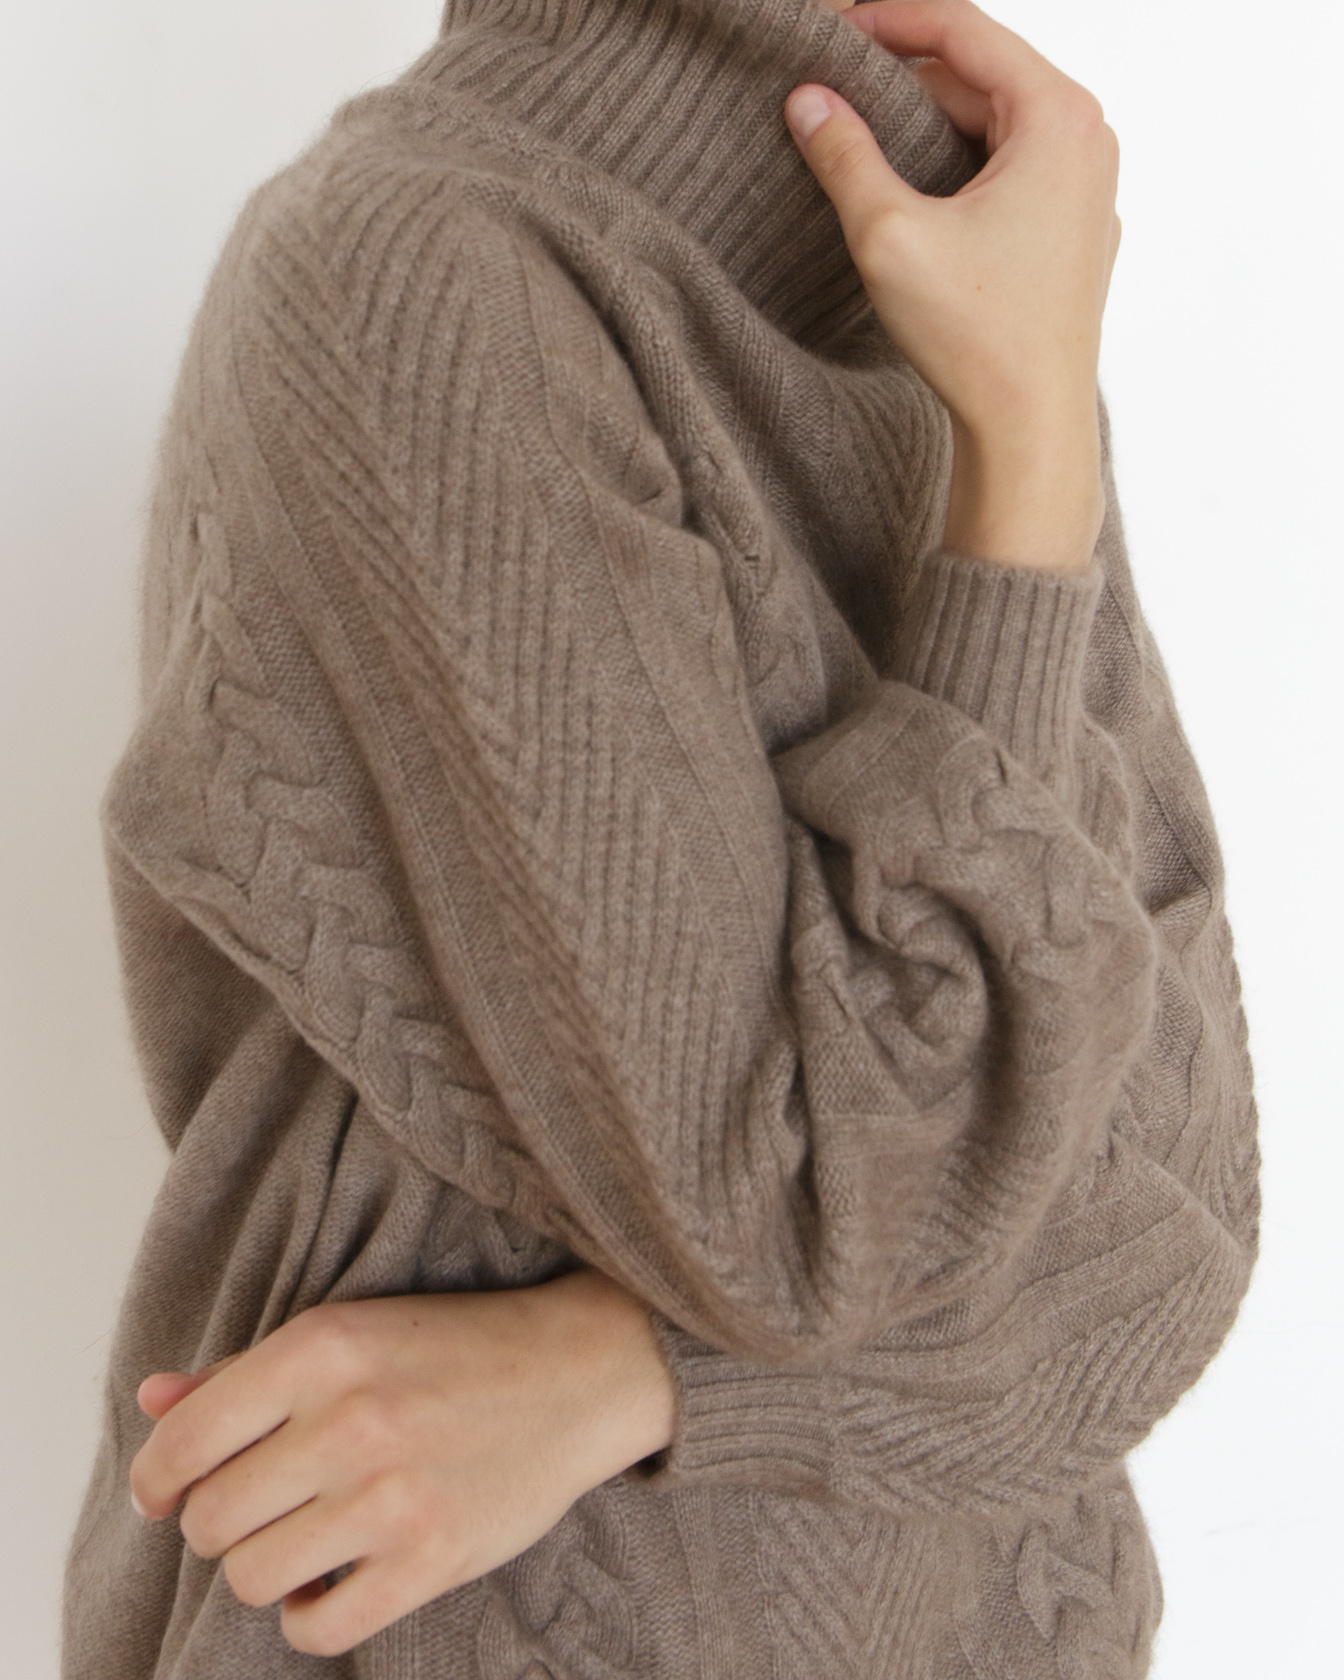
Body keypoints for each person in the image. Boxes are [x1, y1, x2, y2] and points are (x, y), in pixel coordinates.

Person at [64, 0, 1260, 1675]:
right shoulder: (416, 275)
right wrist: (1025, 466)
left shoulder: (971, 298)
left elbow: (1182, 1225)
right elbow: (805, 1222)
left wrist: (614, 1377)